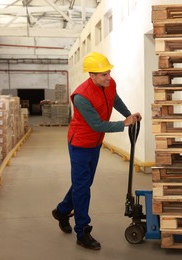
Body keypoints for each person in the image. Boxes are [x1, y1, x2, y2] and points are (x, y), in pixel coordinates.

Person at [52, 52, 142, 250]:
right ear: (91, 75)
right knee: (83, 187)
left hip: (95, 143)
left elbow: (115, 99)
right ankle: (82, 231)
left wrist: (129, 115)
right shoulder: (81, 97)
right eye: (103, 75)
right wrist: (123, 123)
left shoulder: (109, 84)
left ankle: (62, 210)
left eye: (109, 73)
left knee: (83, 183)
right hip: (80, 143)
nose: (108, 77)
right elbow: (96, 124)